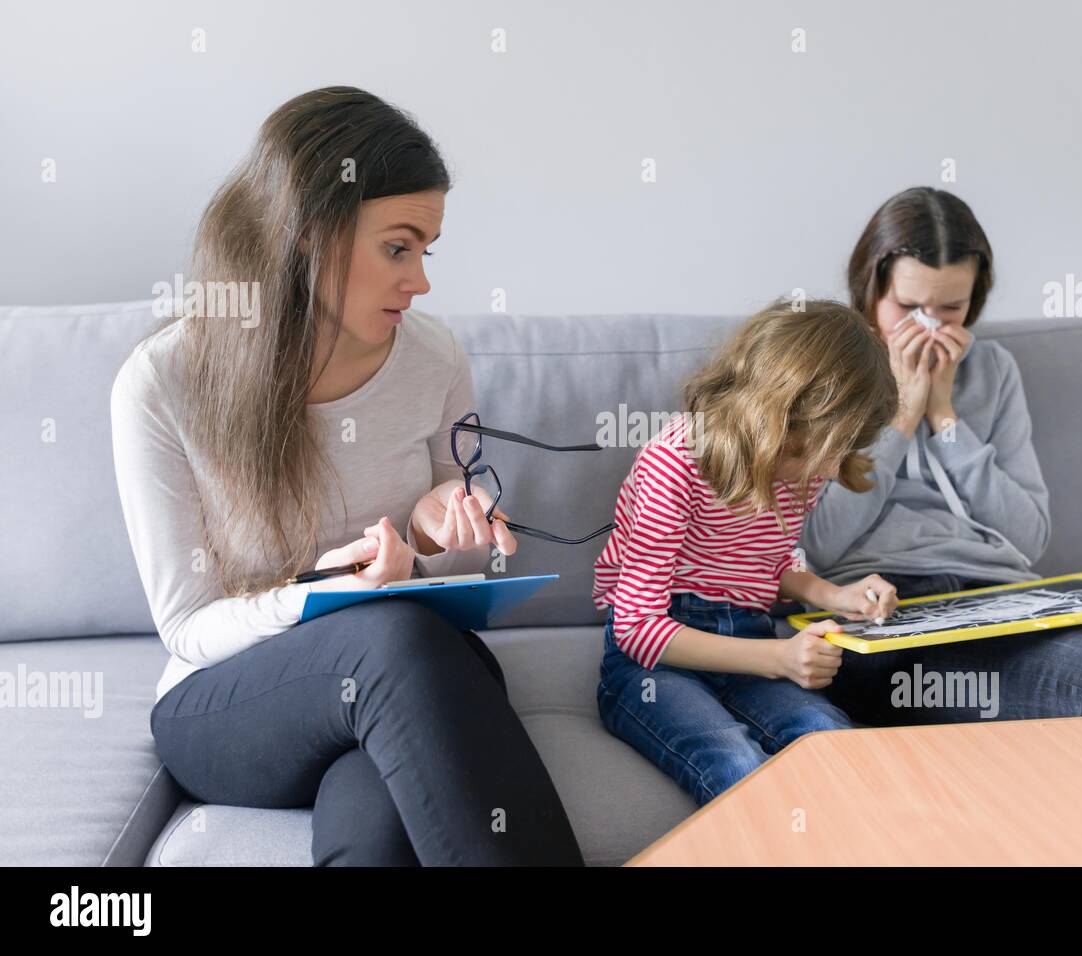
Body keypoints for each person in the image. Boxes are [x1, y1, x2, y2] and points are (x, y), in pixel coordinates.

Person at [110, 86, 583, 866]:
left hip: (400, 690)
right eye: (398, 248)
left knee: (375, 820)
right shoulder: (163, 384)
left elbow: (466, 574)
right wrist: (325, 598)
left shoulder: (434, 359)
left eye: (427, 251)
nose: (421, 280)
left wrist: (436, 532)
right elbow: (188, 625)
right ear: (308, 236)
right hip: (229, 704)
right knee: (389, 642)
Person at [799, 186, 1082, 724]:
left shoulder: (994, 370)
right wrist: (903, 418)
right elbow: (818, 544)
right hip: (882, 618)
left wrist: (945, 416)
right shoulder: (823, 366)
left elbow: (1027, 537)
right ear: (870, 292)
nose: (929, 327)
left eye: (951, 309)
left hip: (995, 603)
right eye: (908, 308)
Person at [593, 299, 902, 805]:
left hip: (749, 641)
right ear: (775, 415)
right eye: (819, 451)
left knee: (837, 748)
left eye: (840, 454)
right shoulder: (674, 462)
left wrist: (834, 595)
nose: (827, 472)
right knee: (736, 766)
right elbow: (637, 629)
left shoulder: (799, 470)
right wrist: (779, 657)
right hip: (654, 664)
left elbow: (768, 561)